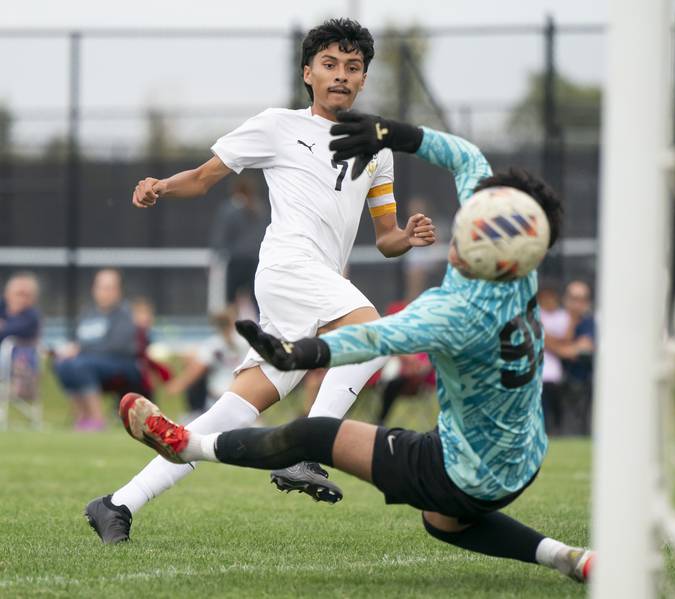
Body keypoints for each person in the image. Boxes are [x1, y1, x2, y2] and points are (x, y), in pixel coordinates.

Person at [117, 113, 594, 583]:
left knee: (309, 434)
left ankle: (186, 447)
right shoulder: (518, 267)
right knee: (440, 519)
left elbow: (373, 337)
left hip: (455, 465)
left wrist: (300, 354)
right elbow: (467, 157)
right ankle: (121, 502)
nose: (465, 222)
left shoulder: (453, 310)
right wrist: (391, 134)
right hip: (525, 458)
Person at [85, 18, 436, 544]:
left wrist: (406, 235)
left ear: (363, 79)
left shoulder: (378, 148)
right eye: (330, 65)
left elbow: (384, 236)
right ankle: (312, 451)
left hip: (314, 285)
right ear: (308, 73)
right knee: (372, 331)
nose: (341, 75)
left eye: (353, 67)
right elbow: (205, 178)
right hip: (286, 267)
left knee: (228, 414)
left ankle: (117, 503)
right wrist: (161, 184)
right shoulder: (277, 125)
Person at [54, 269, 140, 431]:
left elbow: (119, 345)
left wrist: (82, 350)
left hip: (121, 364)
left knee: (81, 365)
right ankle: (81, 417)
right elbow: (76, 340)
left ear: (118, 291)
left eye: (110, 288)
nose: (105, 292)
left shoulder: (125, 314)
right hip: (87, 361)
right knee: (62, 364)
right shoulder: (87, 313)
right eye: (101, 287)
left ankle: (97, 419)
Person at [165, 308, 251, 421]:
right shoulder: (246, 342)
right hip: (243, 398)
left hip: (218, 399)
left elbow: (196, 370)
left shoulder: (213, 344)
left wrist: (176, 386)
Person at [210, 175, 267, 317]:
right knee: (258, 302)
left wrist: (217, 255)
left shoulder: (229, 209)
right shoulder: (261, 208)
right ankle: (263, 333)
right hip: (257, 262)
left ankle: (232, 333)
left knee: (230, 301)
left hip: (237, 261)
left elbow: (220, 238)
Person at [549, 281, 595, 436]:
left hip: (581, 383)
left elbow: (582, 348)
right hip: (553, 385)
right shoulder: (555, 318)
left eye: (582, 299)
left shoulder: (589, 323)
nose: (577, 304)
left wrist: (555, 347)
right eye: (574, 298)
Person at [0, 272, 42, 401]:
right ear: (7, 294)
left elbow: (7, 331)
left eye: (27, 295)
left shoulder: (31, 317)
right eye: (18, 294)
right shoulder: (3, 308)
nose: (22, 299)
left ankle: (22, 385)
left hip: (17, 362)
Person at [538, 285, 569, 436]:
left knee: (557, 407)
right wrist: (562, 349)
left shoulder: (563, 316)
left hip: (556, 373)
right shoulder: (536, 315)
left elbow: (567, 339)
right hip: (539, 372)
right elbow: (540, 337)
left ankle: (557, 431)